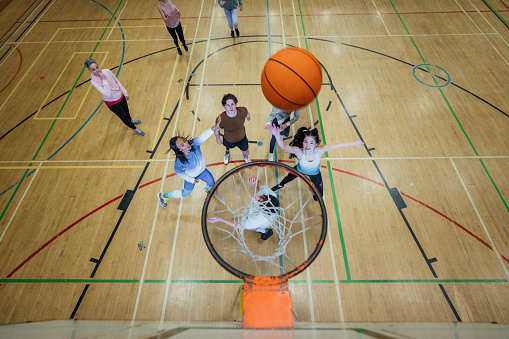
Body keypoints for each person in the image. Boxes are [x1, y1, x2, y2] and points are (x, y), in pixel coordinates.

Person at [266, 125, 364, 199]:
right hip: (299, 170)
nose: (308, 145)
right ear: (303, 142)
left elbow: (337, 145)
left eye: (311, 143)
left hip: (315, 174)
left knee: (320, 194)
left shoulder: (320, 150)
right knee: (287, 178)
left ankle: (315, 195)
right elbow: (284, 147)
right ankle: (280, 185)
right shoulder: (299, 152)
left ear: (315, 144)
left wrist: (354, 143)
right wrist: (277, 135)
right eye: (306, 142)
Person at [157, 118, 221, 207]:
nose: (186, 143)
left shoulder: (194, 144)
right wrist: (190, 180)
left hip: (203, 171)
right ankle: (163, 196)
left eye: (184, 141)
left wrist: (213, 128)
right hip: (191, 177)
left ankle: (208, 188)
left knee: (212, 184)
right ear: (179, 149)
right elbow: (178, 171)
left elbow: (202, 137)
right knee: (185, 194)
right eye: (182, 145)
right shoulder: (180, 160)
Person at [85, 58, 144, 136]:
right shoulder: (94, 81)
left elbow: (117, 81)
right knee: (124, 117)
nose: (97, 70)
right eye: (93, 70)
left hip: (120, 96)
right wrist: (104, 79)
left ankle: (131, 121)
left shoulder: (107, 71)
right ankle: (134, 128)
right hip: (112, 103)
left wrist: (125, 92)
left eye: (97, 67)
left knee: (127, 112)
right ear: (90, 71)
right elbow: (107, 94)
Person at [207, 176, 278, 240]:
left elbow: (241, 226)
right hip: (257, 215)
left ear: (261, 209)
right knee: (234, 219)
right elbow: (259, 185)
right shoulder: (268, 194)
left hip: (262, 223)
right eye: (261, 196)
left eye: (258, 200)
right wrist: (255, 182)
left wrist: (220, 219)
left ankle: (266, 231)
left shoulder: (256, 219)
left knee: (256, 227)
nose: (256, 196)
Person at [214, 93, 251, 164]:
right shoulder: (221, 119)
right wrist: (218, 139)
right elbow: (216, 130)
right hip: (228, 140)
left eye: (232, 104)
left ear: (236, 104)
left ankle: (246, 157)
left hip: (242, 138)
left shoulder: (243, 110)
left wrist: (249, 117)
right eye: (228, 105)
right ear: (224, 107)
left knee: (245, 151)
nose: (231, 107)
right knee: (227, 147)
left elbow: (247, 114)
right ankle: (227, 152)